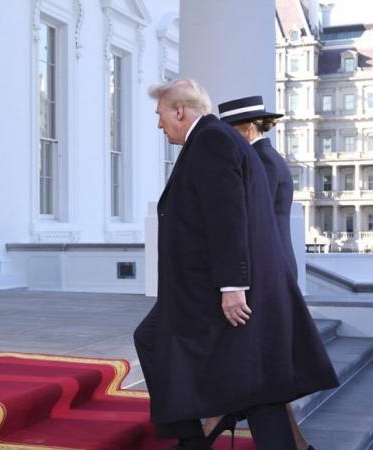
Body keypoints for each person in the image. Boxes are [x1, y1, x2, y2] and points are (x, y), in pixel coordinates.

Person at [133, 79, 338, 450]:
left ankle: (195, 437)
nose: (159, 124)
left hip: (214, 289)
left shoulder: (212, 141)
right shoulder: (216, 141)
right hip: (209, 286)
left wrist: (232, 285)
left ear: (179, 111)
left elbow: (228, 217)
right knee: (252, 379)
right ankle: (194, 434)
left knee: (254, 383)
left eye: (160, 115)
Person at [214, 95, 312, 450]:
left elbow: (252, 226)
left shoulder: (261, 162)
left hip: (265, 277)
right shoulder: (265, 158)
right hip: (270, 272)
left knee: (266, 370)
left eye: (230, 131)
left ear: (249, 127)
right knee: (268, 371)